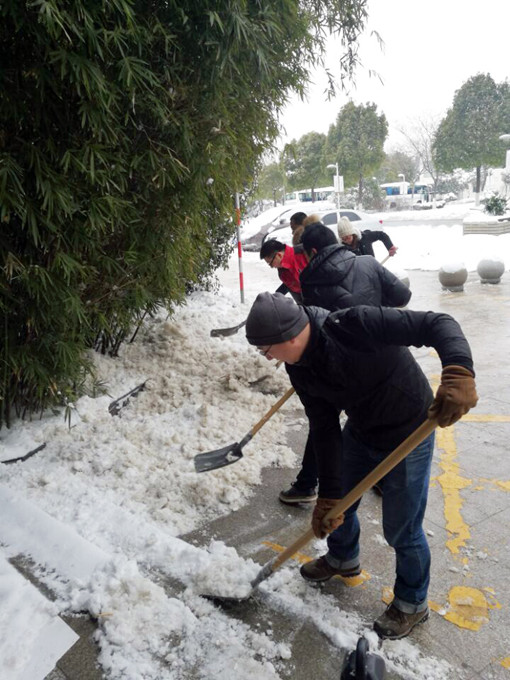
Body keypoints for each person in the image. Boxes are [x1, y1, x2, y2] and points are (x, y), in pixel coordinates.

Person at [245, 292, 477, 639]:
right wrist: (328, 495)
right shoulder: (299, 369)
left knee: (402, 528)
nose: (268, 358)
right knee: (340, 506)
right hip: (362, 430)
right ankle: (342, 558)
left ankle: (412, 603)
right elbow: (324, 429)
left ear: (290, 337)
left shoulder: (356, 324)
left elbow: (437, 323)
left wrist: (458, 371)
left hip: (409, 430)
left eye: (266, 350)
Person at [278, 222, 411, 504]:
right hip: (383, 361)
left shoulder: (310, 279)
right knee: (371, 420)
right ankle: (381, 479)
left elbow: (318, 325)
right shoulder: (367, 263)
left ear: (313, 251)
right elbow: (402, 296)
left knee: (323, 423)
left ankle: (307, 484)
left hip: (337, 364)